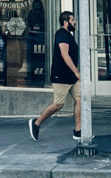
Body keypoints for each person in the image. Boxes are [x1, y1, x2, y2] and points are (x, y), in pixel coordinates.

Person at [28, 11, 80, 142]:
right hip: (62, 75)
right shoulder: (61, 34)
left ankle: (78, 131)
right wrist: (76, 71)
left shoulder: (69, 35)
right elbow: (65, 54)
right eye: (72, 20)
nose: (74, 22)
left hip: (72, 76)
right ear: (65, 22)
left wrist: (75, 73)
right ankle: (36, 123)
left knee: (80, 100)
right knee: (58, 104)